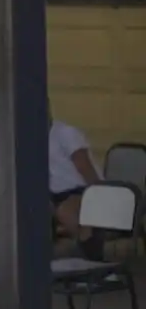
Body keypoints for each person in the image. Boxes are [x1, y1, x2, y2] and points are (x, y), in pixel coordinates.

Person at [49, 109, 104, 260]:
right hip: (53, 192)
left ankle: (90, 252)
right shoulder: (31, 136)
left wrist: (99, 196)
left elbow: (85, 167)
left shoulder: (65, 132)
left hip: (81, 189)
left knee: (66, 211)